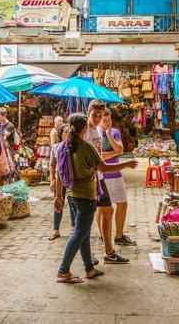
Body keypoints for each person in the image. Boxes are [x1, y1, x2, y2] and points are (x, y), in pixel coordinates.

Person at [55, 114, 139, 283]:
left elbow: (59, 173)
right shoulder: (87, 147)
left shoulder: (63, 146)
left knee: (84, 233)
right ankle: (64, 270)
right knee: (79, 233)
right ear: (84, 128)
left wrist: (58, 196)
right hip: (86, 195)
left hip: (72, 195)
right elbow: (104, 168)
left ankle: (89, 269)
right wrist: (127, 163)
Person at [86, 100, 128, 264]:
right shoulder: (84, 132)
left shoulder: (97, 134)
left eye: (100, 115)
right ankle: (86, 255)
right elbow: (100, 160)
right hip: (88, 179)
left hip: (99, 177)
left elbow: (102, 158)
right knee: (86, 218)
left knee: (108, 210)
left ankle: (109, 252)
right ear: (88, 113)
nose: (97, 118)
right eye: (95, 115)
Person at [100, 108, 136, 246]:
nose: (107, 122)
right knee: (103, 209)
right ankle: (103, 237)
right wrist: (113, 153)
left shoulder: (114, 132)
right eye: (104, 119)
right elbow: (99, 156)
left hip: (116, 174)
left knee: (122, 203)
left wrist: (109, 135)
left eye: (109, 119)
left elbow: (120, 150)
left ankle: (119, 236)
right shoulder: (95, 133)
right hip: (102, 175)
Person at [49, 124, 75, 240]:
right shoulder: (55, 147)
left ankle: (74, 227)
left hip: (71, 179)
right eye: (65, 132)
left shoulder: (74, 146)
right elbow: (52, 164)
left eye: (69, 132)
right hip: (59, 179)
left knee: (72, 203)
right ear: (60, 134)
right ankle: (56, 229)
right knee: (58, 203)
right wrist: (51, 180)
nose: (67, 134)